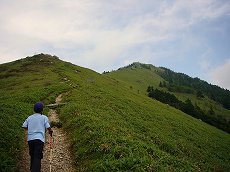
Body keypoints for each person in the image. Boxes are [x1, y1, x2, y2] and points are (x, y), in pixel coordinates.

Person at [22, 102, 53, 172]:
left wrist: (29, 129)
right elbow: (48, 126)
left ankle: (32, 168)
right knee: (37, 156)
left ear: (34, 109)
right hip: (39, 139)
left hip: (30, 139)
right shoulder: (44, 117)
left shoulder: (30, 117)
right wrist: (50, 131)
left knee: (32, 154)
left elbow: (24, 126)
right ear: (42, 110)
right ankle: (35, 170)